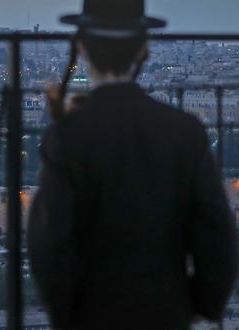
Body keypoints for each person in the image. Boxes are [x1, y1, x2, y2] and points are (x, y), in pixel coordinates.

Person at [27, 0, 238, 329]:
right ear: (143, 51)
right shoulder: (185, 132)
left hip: (93, 314)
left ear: (81, 48)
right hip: (166, 312)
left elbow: (49, 242)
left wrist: (67, 312)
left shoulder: (67, 136)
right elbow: (218, 236)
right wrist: (196, 304)